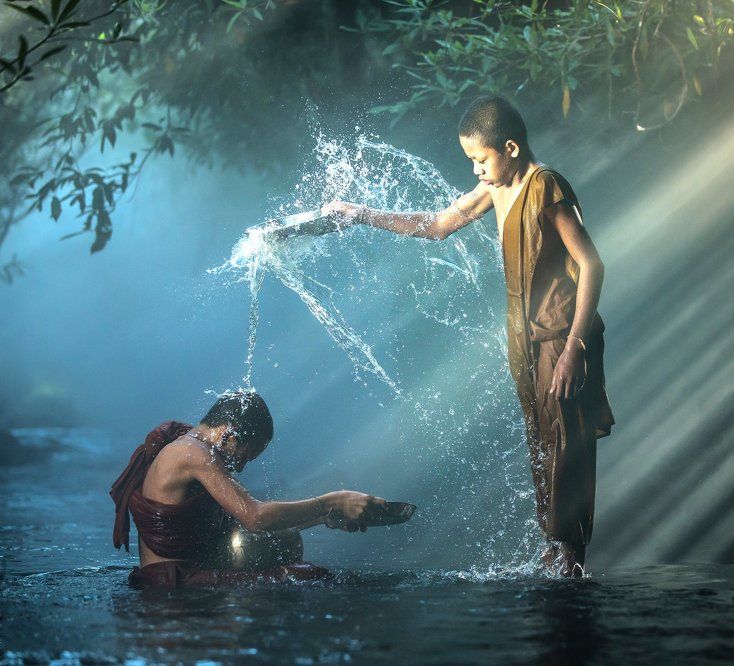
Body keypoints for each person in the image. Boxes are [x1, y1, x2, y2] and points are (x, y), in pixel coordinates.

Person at [287, 96, 615, 576]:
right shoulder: (496, 189)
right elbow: (437, 225)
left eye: (481, 160)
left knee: (566, 444)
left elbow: (592, 264)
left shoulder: (546, 186)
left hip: (562, 337)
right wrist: (357, 212)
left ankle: (571, 560)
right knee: (541, 443)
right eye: (472, 163)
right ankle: (555, 552)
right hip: (525, 339)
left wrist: (573, 350)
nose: (477, 171)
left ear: (511, 148)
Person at [110, 390, 387, 588]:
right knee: (311, 577)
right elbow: (255, 518)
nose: (240, 467)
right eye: (244, 456)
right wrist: (333, 501)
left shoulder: (192, 447)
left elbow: (236, 524)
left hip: (183, 572)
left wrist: (323, 518)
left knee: (296, 557)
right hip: (172, 582)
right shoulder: (193, 453)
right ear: (228, 435)